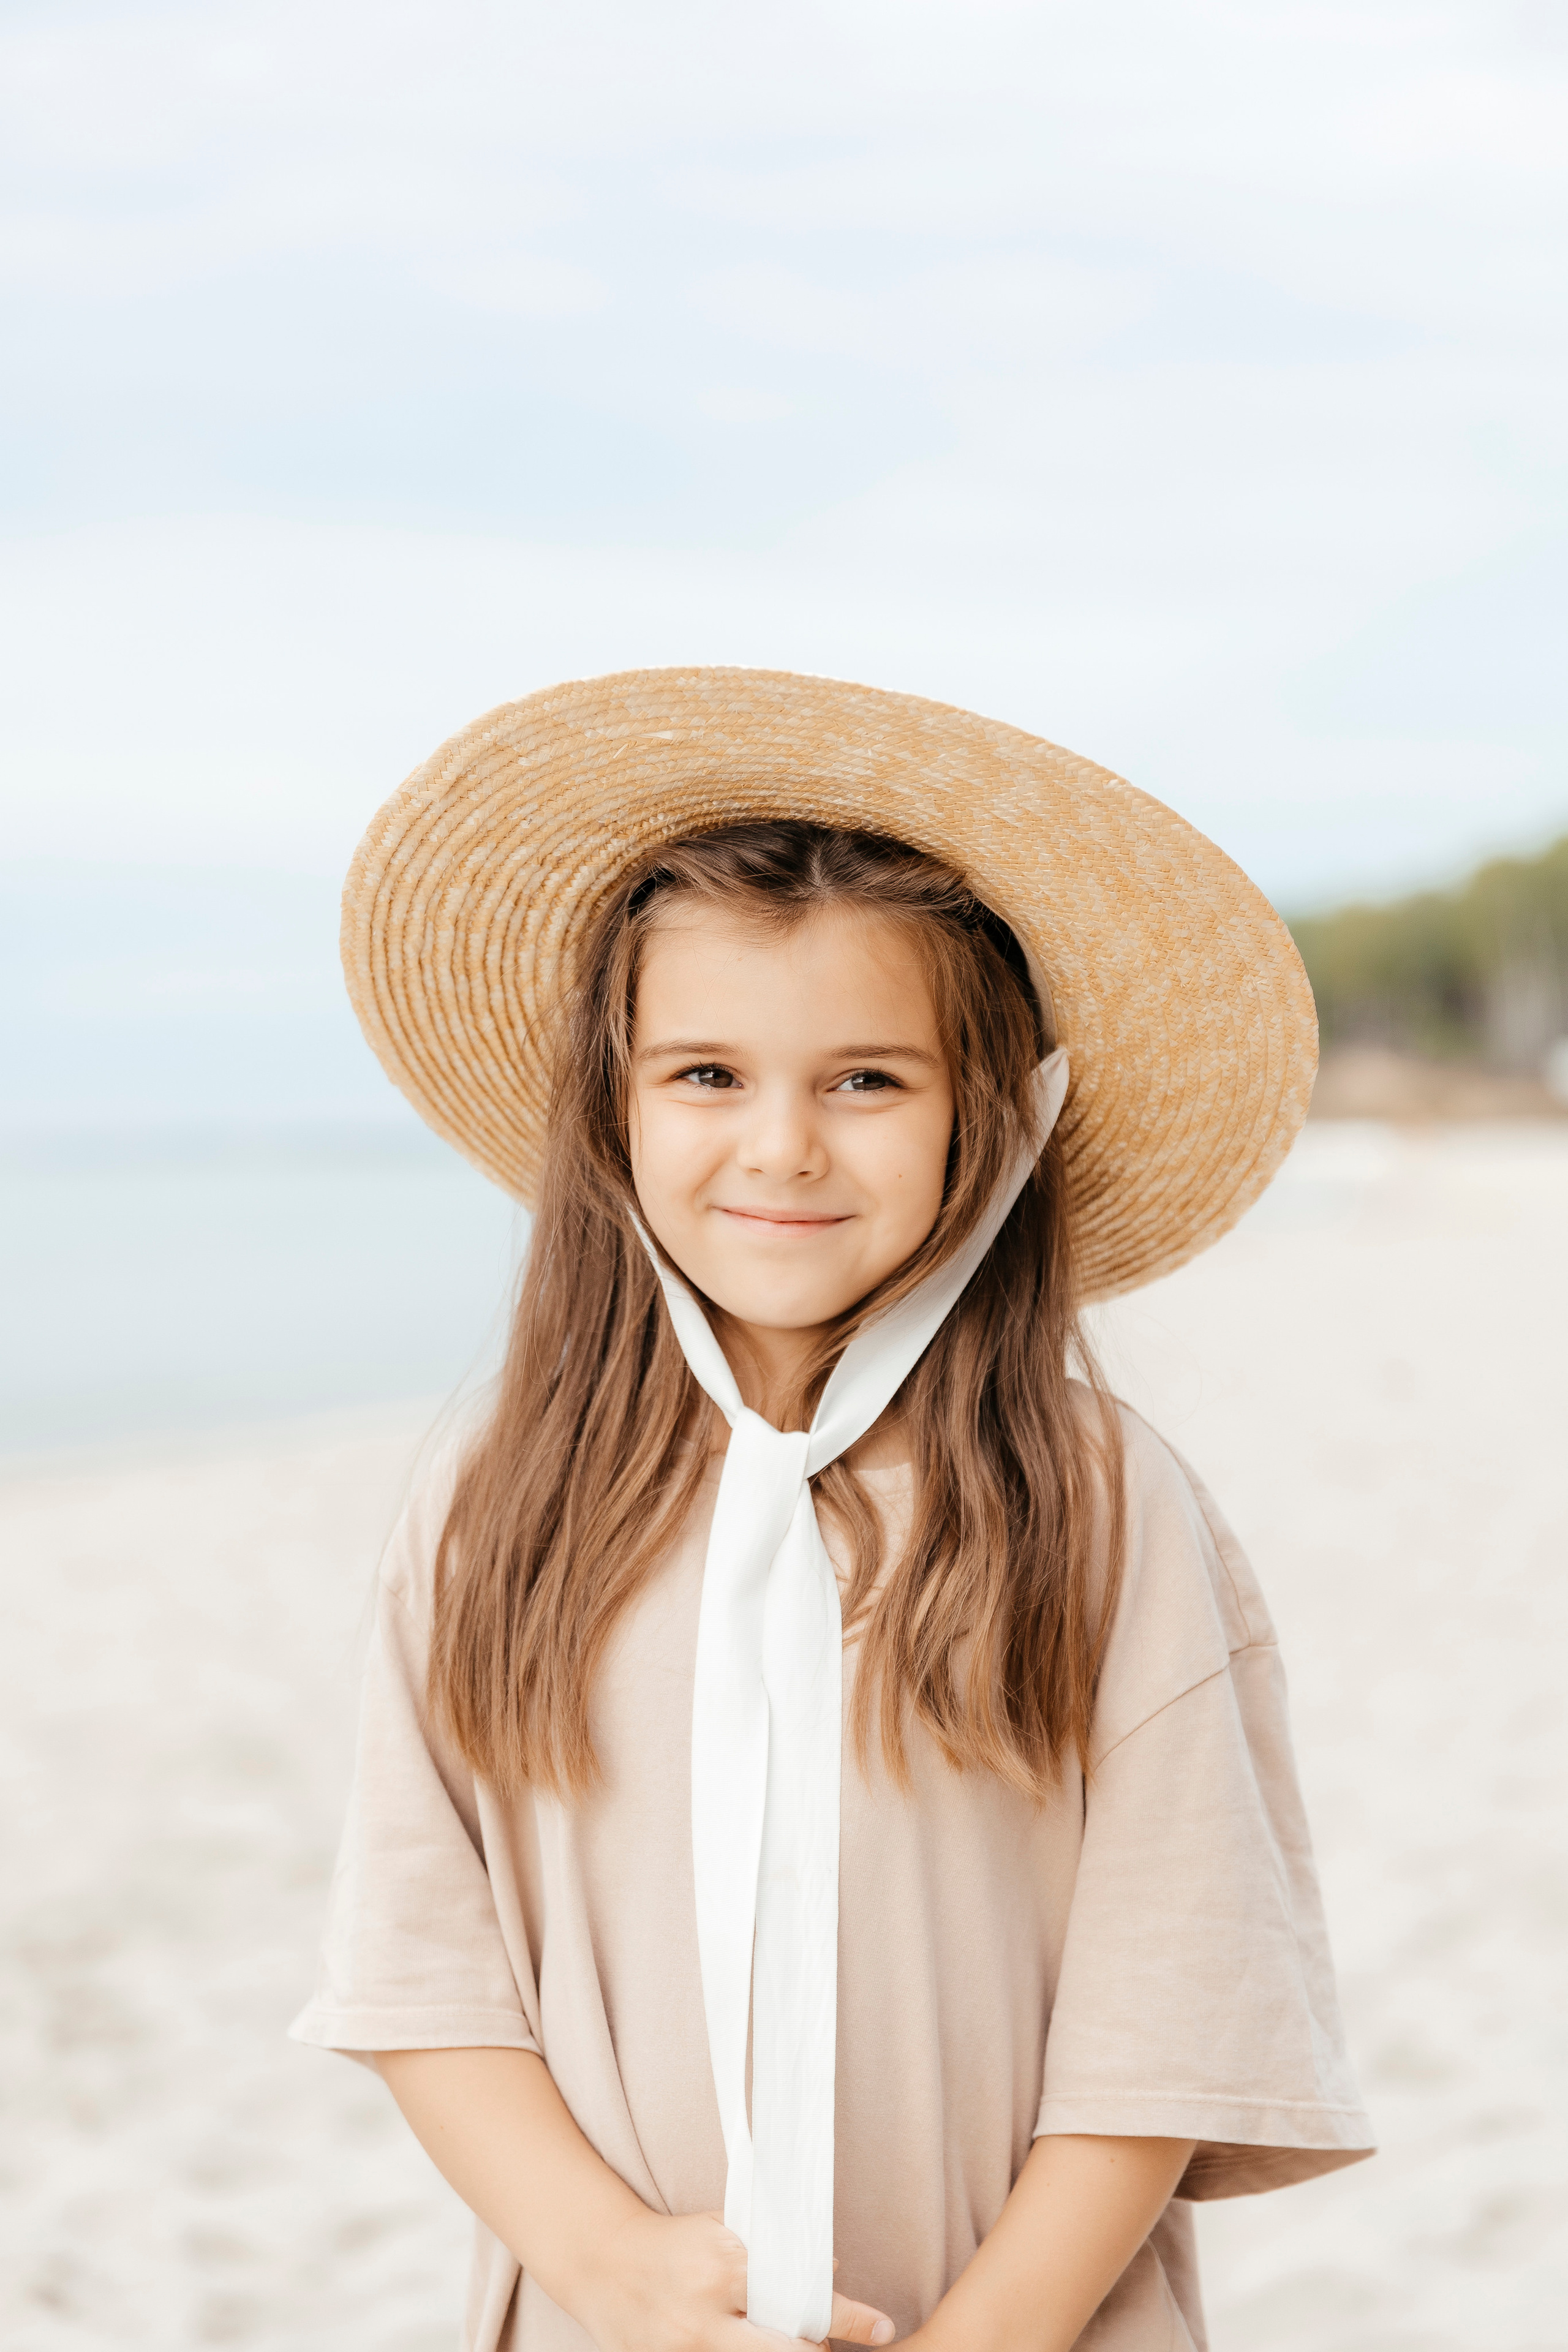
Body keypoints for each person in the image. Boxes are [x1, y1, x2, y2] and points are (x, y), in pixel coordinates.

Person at [293, 669, 1373, 2352]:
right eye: (707, 1076)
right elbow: (420, 1964)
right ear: (615, 1110)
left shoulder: (1094, 1500)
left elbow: (1170, 1997)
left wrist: (989, 2332)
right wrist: (604, 2265)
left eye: (867, 1081)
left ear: (988, 1118)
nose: (782, 1147)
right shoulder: (503, 1494)